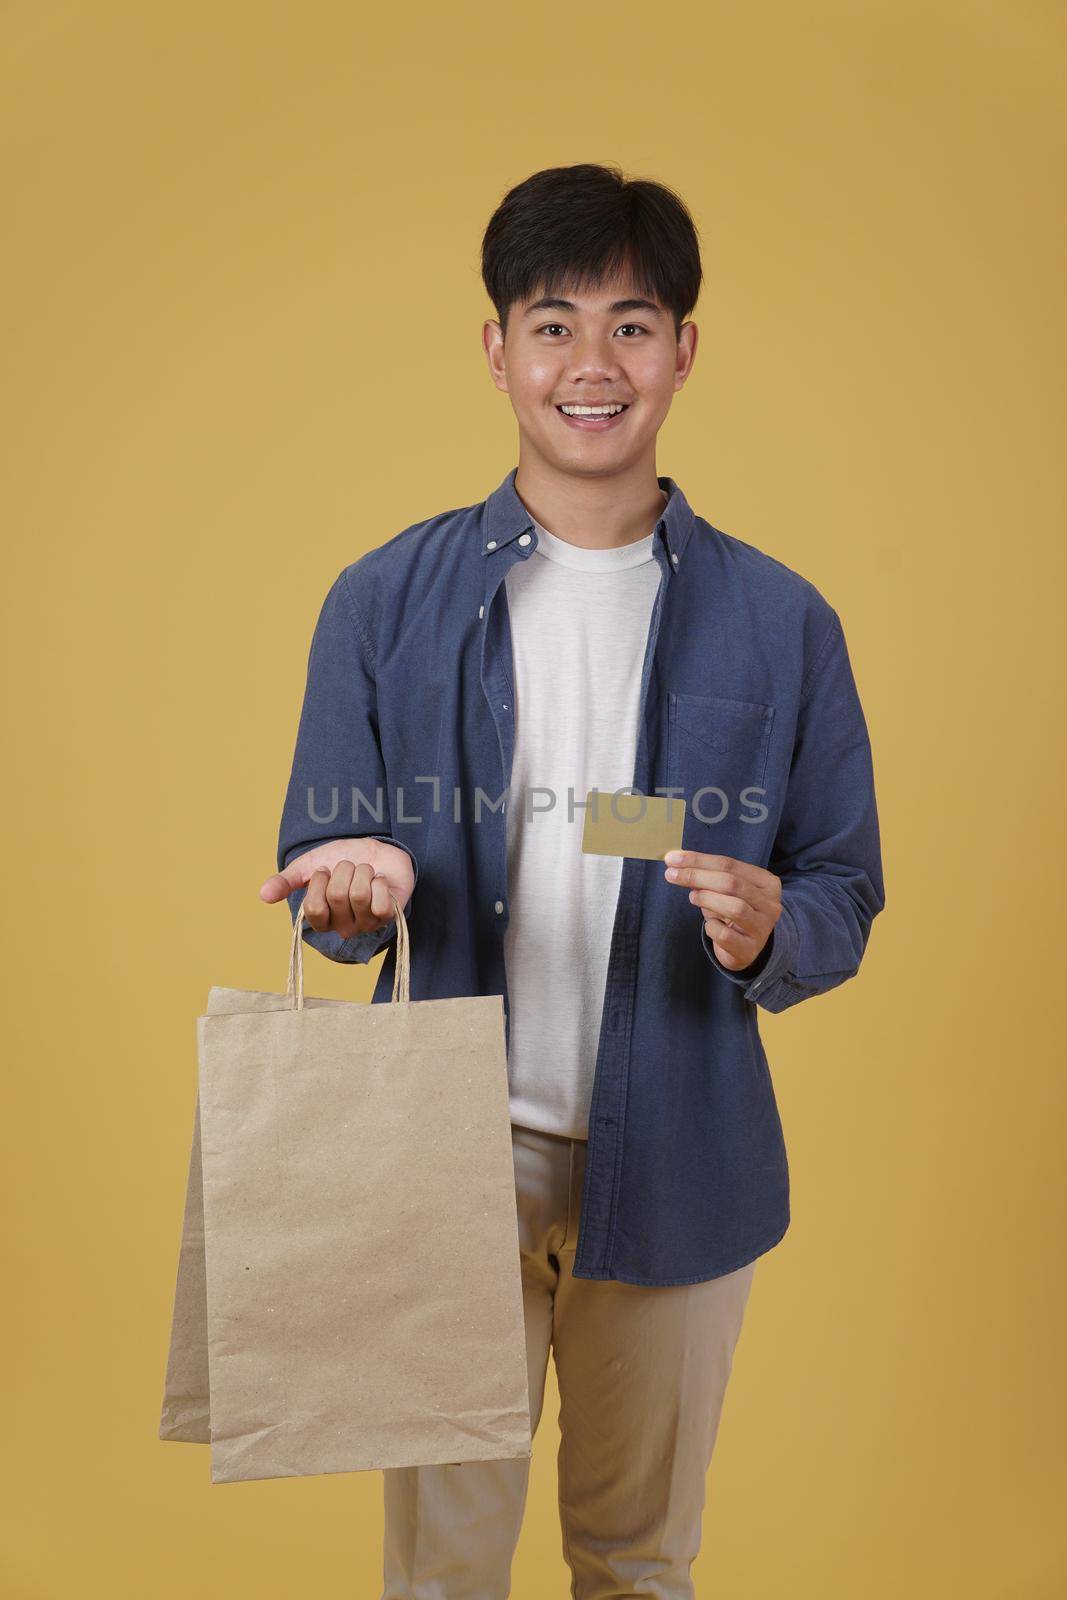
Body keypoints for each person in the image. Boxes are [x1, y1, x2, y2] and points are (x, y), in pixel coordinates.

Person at [259, 162, 885, 1600]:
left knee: (637, 1565)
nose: (591, 366)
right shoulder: (384, 600)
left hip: (685, 1156)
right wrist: (342, 895)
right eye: (553, 325)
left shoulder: (782, 622)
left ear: (684, 350)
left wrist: (776, 927)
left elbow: (843, 881)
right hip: (447, 1149)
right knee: (442, 1574)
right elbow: (321, 860)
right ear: (495, 349)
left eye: (632, 324)